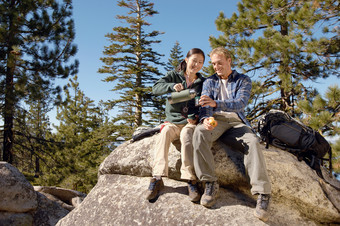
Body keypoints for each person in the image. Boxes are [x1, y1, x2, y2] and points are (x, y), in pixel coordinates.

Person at [193, 47, 272, 221]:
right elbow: (206, 105)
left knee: (252, 142)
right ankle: (210, 183)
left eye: (219, 63)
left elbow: (240, 104)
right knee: (199, 133)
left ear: (229, 60)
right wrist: (206, 117)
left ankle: (262, 194)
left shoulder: (243, 80)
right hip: (217, 121)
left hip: (236, 121)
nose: (216, 67)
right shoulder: (209, 82)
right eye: (213, 64)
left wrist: (216, 104)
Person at [145, 48, 206, 202]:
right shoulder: (174, 75)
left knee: (187, 135)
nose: (196, 64)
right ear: (186, 60)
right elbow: (155, 88)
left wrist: (197, 116)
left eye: (200, 62)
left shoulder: (202, 82)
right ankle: (157, 178)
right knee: (164, 133)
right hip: (173, 121)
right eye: (194, 61)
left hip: (190, 122)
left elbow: (203, 104)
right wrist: (171, 87)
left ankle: (190, 180)